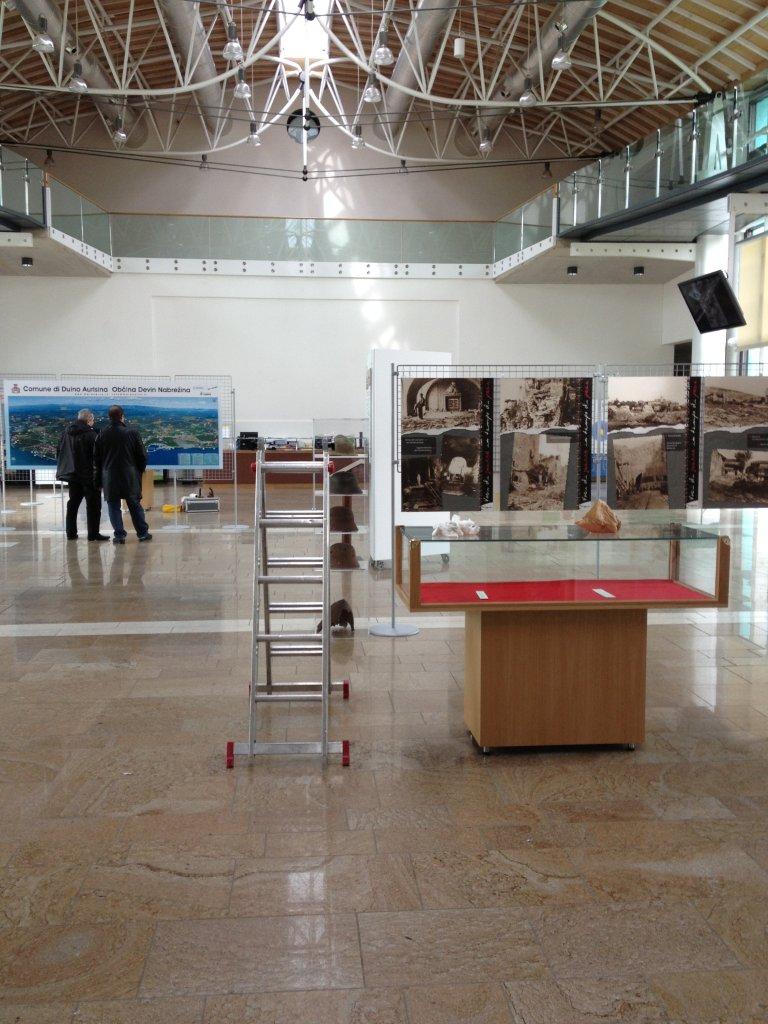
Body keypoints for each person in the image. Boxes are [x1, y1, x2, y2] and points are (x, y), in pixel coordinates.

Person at [93, 405, 152, 544]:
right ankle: (142, 533)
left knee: (113, 506)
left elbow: (96, 460)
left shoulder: (101, 434)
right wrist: (138, 471)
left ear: (109, 417)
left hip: (109, 476)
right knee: (134, 505)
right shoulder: (132, 433)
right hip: (129, 476)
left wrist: (98, 481)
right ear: (122, 417)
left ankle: (119, 536)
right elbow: (142, 456)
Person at [55, 409, 109, 542]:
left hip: (73, 475)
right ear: (89, 420)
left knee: (73, 503)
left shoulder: (66, 433)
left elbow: (59, 452)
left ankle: (71, 533)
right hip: (89, 476)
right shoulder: (91, 434)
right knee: (93, 506)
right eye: (93, 420)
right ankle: (93, 534)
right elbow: (98, 457)